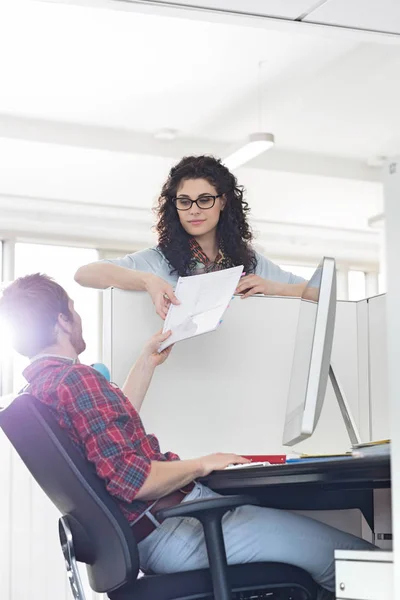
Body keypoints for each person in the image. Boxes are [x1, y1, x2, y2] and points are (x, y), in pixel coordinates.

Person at [0, 274, 375, 600]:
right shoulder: (77, 380)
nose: (78, 317)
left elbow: (109, 433)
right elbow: (135, 481)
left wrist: (146, 362)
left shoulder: (45, 387)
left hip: (154, 534)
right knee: (351, 559)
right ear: (64, 320)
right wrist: (203, 463)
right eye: (73, 309)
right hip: (179, 529)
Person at [75, 155, 308, 319]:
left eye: (205, 200)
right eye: (184, 202)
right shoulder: (158, 260)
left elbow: (321, 292)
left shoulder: (250, 263)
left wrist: (275, 288)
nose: (194, 210)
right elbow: (84, 274)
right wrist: (148, 281)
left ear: (223, 202)